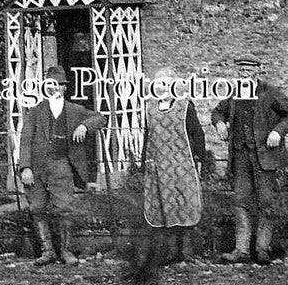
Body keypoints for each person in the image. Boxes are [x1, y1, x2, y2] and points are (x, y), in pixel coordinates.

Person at [211, 57, 288, 264]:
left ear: (257, 71)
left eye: (249, 69)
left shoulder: (269, 92)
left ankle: (262, 249)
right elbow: (217, 112)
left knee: (266, 203)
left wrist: (277, 132)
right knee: (240, 202)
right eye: (241, 69)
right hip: (240, 157)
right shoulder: (233, 94)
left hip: (264, 157)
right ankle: (241, 250)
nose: (244, 73)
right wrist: (220, 124)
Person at [124, 67, 206, 285]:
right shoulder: (150, 109)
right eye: (159, 84)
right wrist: (144, 163)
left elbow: (197, 134)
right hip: (159, 167)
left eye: (167, 84)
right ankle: (169, 251)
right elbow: (147, 136)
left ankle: (186, 251)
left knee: (184, 204)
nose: (162, 88)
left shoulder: (185, 106)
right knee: (162, 207)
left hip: (182, 165)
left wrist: (199, 158)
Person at [18, 65, 106, 266]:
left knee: (63, 208)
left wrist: (85, 125)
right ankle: (47, 252)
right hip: (37, 168)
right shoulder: (35, 111)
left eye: (58, 85)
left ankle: (65, 251)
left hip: (61, 164)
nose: (54, 88)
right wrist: (25, 168)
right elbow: (25, 140)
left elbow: (101, 117)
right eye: (50, 84)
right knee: (38, 207)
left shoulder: (75, 111)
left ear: (64, 88)